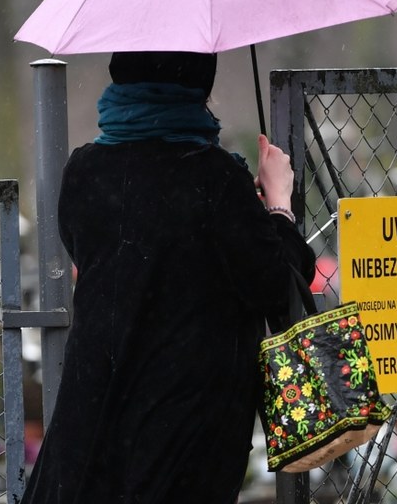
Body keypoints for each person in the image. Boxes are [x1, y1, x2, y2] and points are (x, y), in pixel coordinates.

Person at [20, 51, 316, 503]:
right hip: (186, 426)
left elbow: (101, 250)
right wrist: (277, 204)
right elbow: (276, 286)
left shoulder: (84, 170)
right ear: (196, 83)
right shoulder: (214, 177)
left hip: (94, 418)